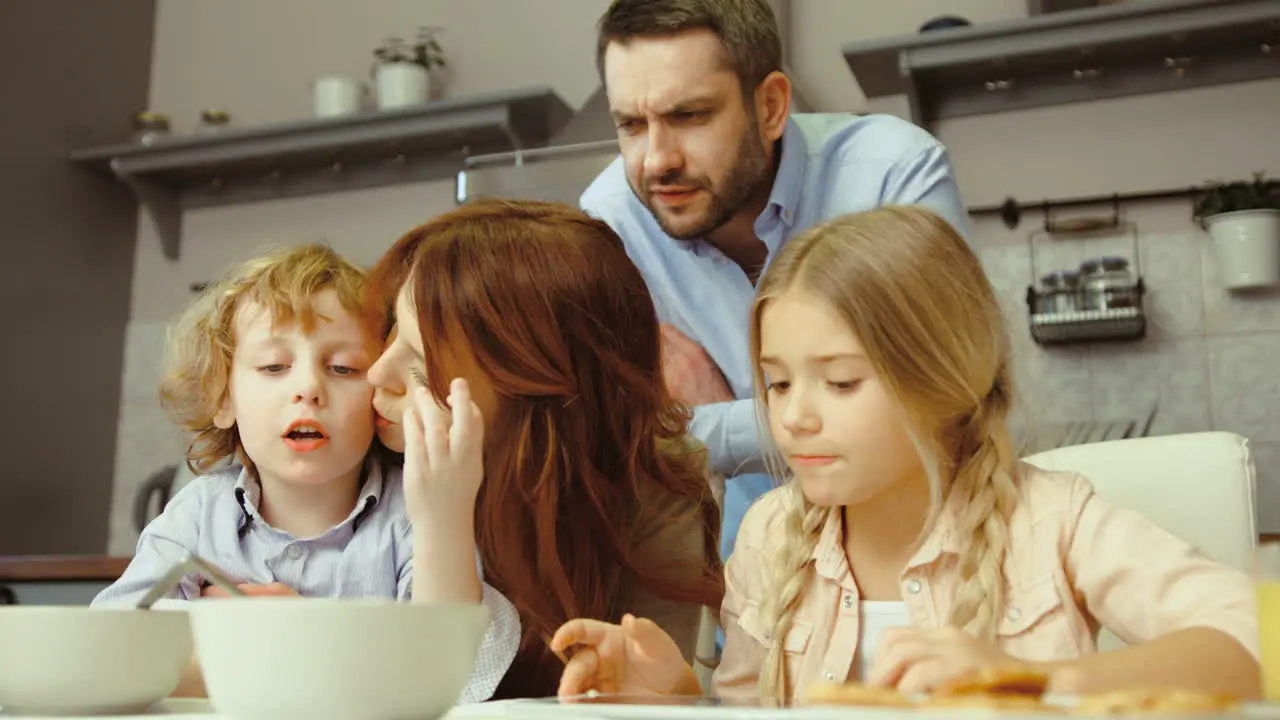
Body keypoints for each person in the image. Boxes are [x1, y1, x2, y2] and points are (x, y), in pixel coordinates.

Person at [550, 206, 1261, 703]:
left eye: (840, 382)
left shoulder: (1054, 521)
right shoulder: (770, 535)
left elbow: (1255, 639)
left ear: (944, 380)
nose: (792, 416)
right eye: (775, 382)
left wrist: (1035, 682)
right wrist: (668, 696)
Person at [581, 0, 970, 558]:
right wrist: (833, 405)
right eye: (632, 125)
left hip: (924, 563)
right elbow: (610, 441)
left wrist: (714, 422)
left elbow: (936, 399)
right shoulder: (610, 224)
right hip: (743, 595)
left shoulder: (891, 175)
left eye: (689, 115)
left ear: (769, 106)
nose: (655, 160)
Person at [93, 244, 520, 703]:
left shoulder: (416, 513)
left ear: (378, 394)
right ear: (223, 399)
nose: (309, 389)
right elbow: (112, 649)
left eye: (342, 368)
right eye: (274, 366)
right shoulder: (195, 515)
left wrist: (289, 638)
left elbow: (450, 670)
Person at [364, 198, 725, 699]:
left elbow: (645, 696)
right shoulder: (357, 466)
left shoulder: (652, 490)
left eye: (423, 368)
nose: (376, 375)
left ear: (533, 399)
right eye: (390, 336)